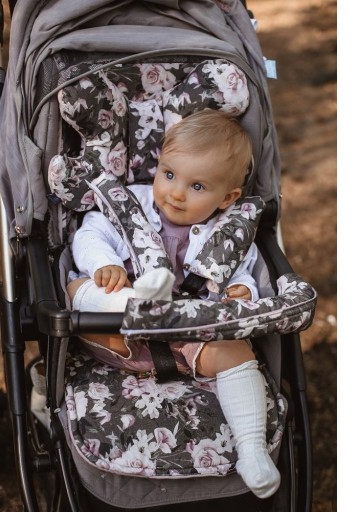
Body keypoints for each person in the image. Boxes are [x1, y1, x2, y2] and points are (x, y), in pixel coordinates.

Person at [66, 109, 280, 499]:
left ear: (227, 197)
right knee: (76, 289)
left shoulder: (226, 232)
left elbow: (243, 270)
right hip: (119, 333)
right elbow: (90, 234)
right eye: (168, 175)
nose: (176, 193)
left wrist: (242, 291)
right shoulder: (133, 204)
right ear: (159, 166)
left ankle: (252, 450)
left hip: (188, 337)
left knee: (236, 351)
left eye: (197, 186)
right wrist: (104, 265)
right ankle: (140, 301)